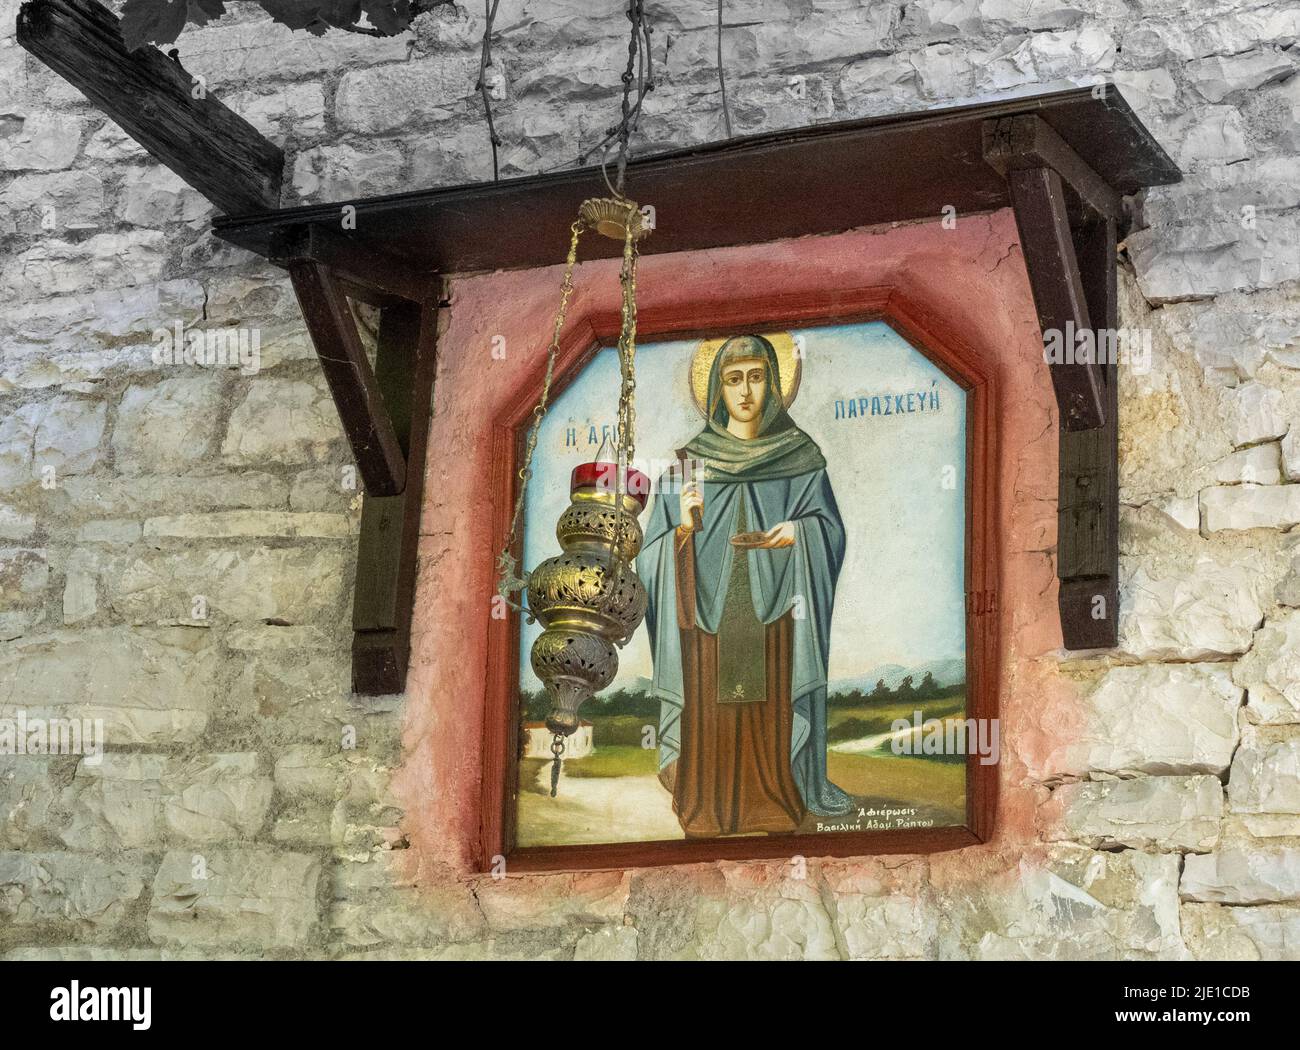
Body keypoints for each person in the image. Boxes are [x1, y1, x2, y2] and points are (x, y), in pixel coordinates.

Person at [640, 333, 853, 837]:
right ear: (717, 388)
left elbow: (831, 531)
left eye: (756, 377)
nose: (744, 391)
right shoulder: (687, 464)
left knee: (769, 710)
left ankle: (774, 801)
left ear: (773, 384)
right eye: (733, 379)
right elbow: (649, 558)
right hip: (707, 625)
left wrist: (798, 533)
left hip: (775, 615)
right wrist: (684, 529)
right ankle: (707, 809)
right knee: (711, 711)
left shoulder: (800, 457)